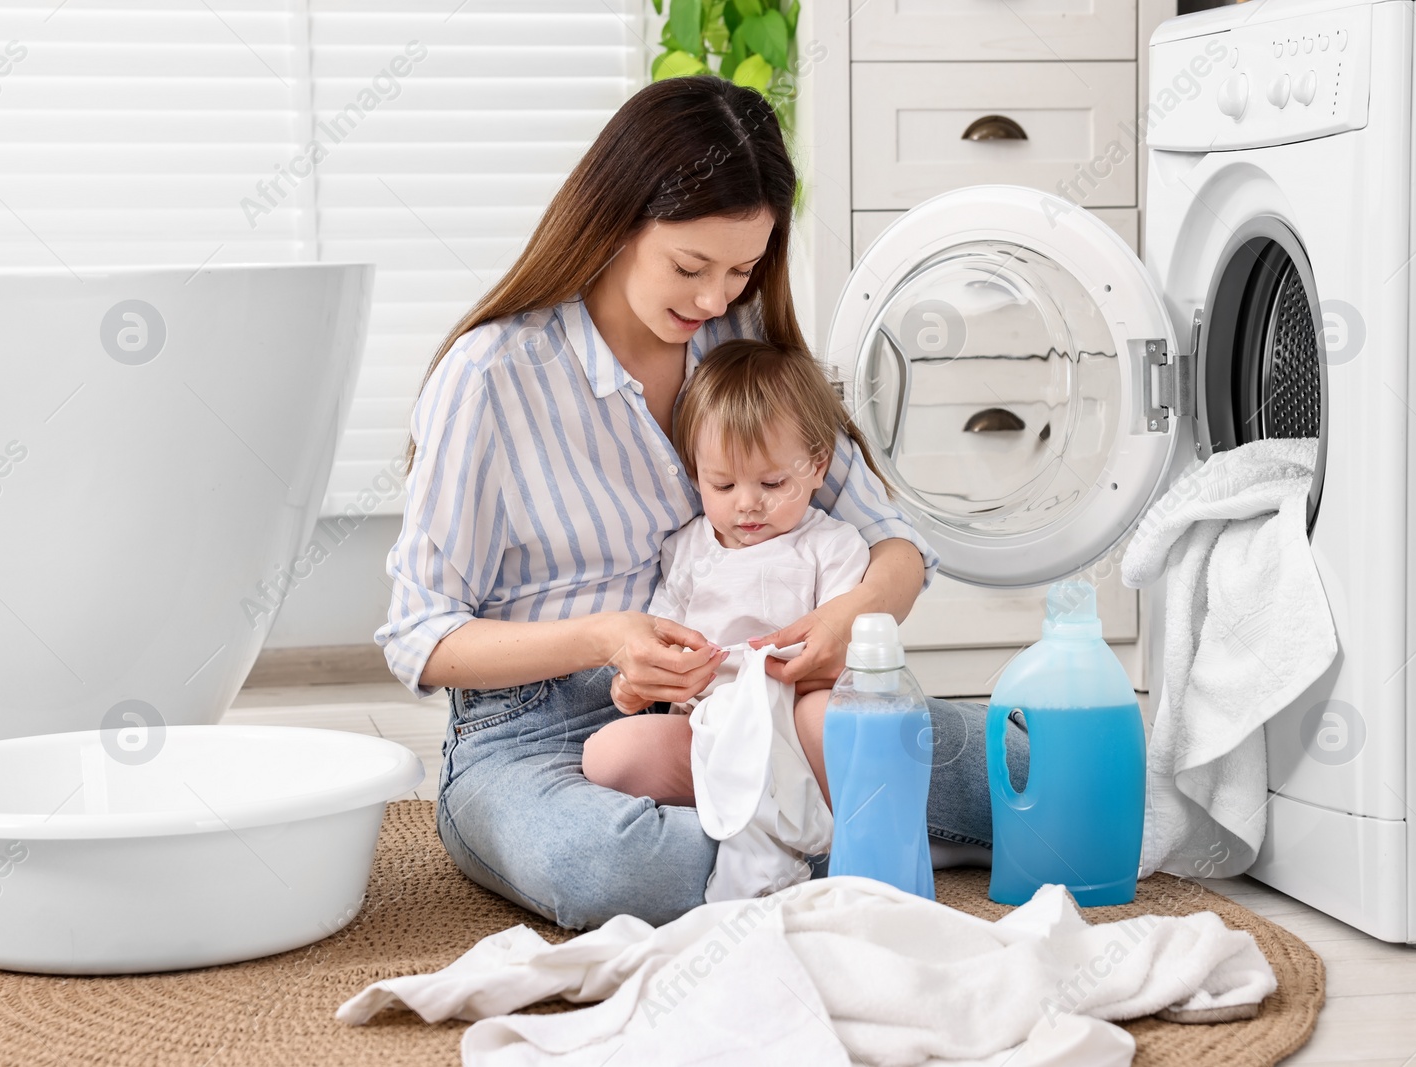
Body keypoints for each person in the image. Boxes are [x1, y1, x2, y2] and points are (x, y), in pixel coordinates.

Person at [376, 74, 1027, 931]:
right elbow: (419, 634)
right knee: (604, 862)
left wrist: (854, 619)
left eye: (743, 269)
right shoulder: (491, 375)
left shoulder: (737, 346)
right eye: (691, 267)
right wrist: (607, 639)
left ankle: (817, 837)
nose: (717, 298)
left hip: (760, 707)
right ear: (613, 222)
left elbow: (895, 542)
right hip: (530, 733)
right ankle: (869, 841)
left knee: (1024, 768)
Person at [581, 337, 871, 901]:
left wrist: (821, 668)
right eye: (722, 485)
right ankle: (747, 807)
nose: (747, 505)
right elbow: (660, 638)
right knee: (608, 753)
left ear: (816, 465)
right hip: (714, 724)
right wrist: (640, 684)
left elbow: (849, 654)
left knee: (828, 718)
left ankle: (846, 832)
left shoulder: (832, 546)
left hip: (794, 711)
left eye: (771, 484)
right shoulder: (688, 551)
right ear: (695, 474)